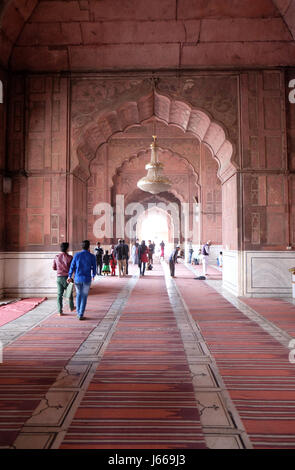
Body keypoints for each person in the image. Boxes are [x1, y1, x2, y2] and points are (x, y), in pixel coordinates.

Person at [67, 240, 96, 320]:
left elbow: (72, 266)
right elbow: (94, 268)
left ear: (82, 247)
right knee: (84, 296)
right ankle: (81, 314)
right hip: (87, 279)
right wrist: (93, 275)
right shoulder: (92, 256)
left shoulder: (77, 255)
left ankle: (78, 312)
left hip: (77, 279)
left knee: (79, 295)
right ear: (88, 247)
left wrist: (69, 276)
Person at [53, 242, 74, 316]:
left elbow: (54, 267)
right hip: (67, 277)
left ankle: (59, 311)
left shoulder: (56, 257)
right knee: (69, 293)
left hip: (59, 277)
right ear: (67, 248)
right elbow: (72, 268)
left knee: (59, 295)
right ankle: (71, 307)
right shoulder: (70, 257)